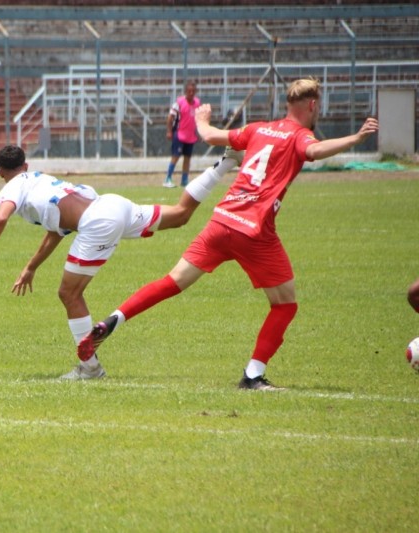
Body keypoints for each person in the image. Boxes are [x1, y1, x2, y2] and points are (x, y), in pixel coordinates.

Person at [78, 78, 379, 390]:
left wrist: (200, 118)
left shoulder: (257, 129)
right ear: (313, 105)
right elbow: (314, 151)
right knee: (285, 304)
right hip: (254, 231)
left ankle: (113, 319)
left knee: (172, 281)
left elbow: (209, 135)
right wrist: (355, 138)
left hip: (221, 221)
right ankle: (252, 376)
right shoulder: (301, 136)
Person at [0, 144, 235, 380]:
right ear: (26, 164)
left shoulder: (12, 186)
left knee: (69, 293)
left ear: (0, 173)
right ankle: (226, 162)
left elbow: (2, 216)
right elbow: (55, 232)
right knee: (180, 214)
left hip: (98, 222)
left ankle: (89, 368)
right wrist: (31, 267)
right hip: (112, 204)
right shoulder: (39, 178)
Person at [163, 80, 200, 188]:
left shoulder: (197, 103)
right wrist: (169, 131)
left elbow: (197, 119)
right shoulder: (179, 103)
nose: (191, 93)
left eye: (193, 91)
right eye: (189, 91)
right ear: (185, 91)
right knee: (175, 157)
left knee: (187, 158)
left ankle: (184, 180)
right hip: (179, 135)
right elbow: (170, 117)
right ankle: (168, 178)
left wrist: (199, 132)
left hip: (190, 136)